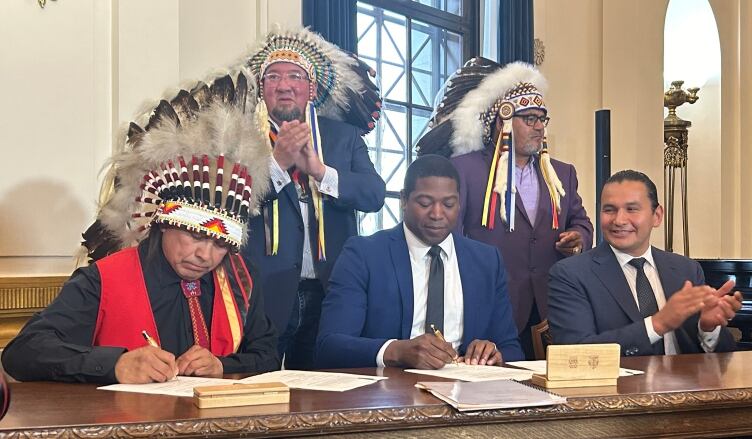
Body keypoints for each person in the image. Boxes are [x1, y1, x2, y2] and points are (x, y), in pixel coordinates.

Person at [2, 99, 280, 383]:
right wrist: (115, 364)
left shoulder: (239, 280)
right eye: (195, 235)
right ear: (163, 223)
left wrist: (223, 366)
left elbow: (268, 354)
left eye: (221, 244)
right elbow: (23, 352)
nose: (205, 255)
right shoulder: (103, 280)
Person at [416, 57, 593, 358]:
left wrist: (578, 237)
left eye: (543, 119)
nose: (539, 127)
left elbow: (582, 223)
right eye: (530, 119)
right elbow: (451, 236)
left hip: (550, 307)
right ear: (503, 121)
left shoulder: (562, 174)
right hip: (489, 302)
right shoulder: (465, 169)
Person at [241, 26, 386, 370]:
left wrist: (321, 172)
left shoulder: (343, 137)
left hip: (331, 288)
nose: (285, 85)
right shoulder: (241, 139)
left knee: (323, 390)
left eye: (295, 76)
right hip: (263, 292)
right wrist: (276, 164)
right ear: (262, 90)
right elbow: (230, 211)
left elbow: (374, 194)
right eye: (273, 77)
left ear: (313, 88)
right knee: (260, 388)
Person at [315, 155, 524, 369]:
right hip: (388, 392)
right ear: (404, 200)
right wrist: (396, 351)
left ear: (459, 203)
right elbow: (329, 346)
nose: (437, 214)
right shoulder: (364, 254)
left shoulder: (486, 261)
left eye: (448, 204)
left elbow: (512, 349)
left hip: (466, 391)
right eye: (425, 203)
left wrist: (493, 353)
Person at [547, 170, 742, 356]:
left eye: (631, 209)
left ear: (656, 216)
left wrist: (708, 328)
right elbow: (574, 354)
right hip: (616, 389)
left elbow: (723, 357)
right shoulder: (571, 274)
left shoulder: (686, 269)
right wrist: (658, 324)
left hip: (685, 387)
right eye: (609, 210)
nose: (619, 220)